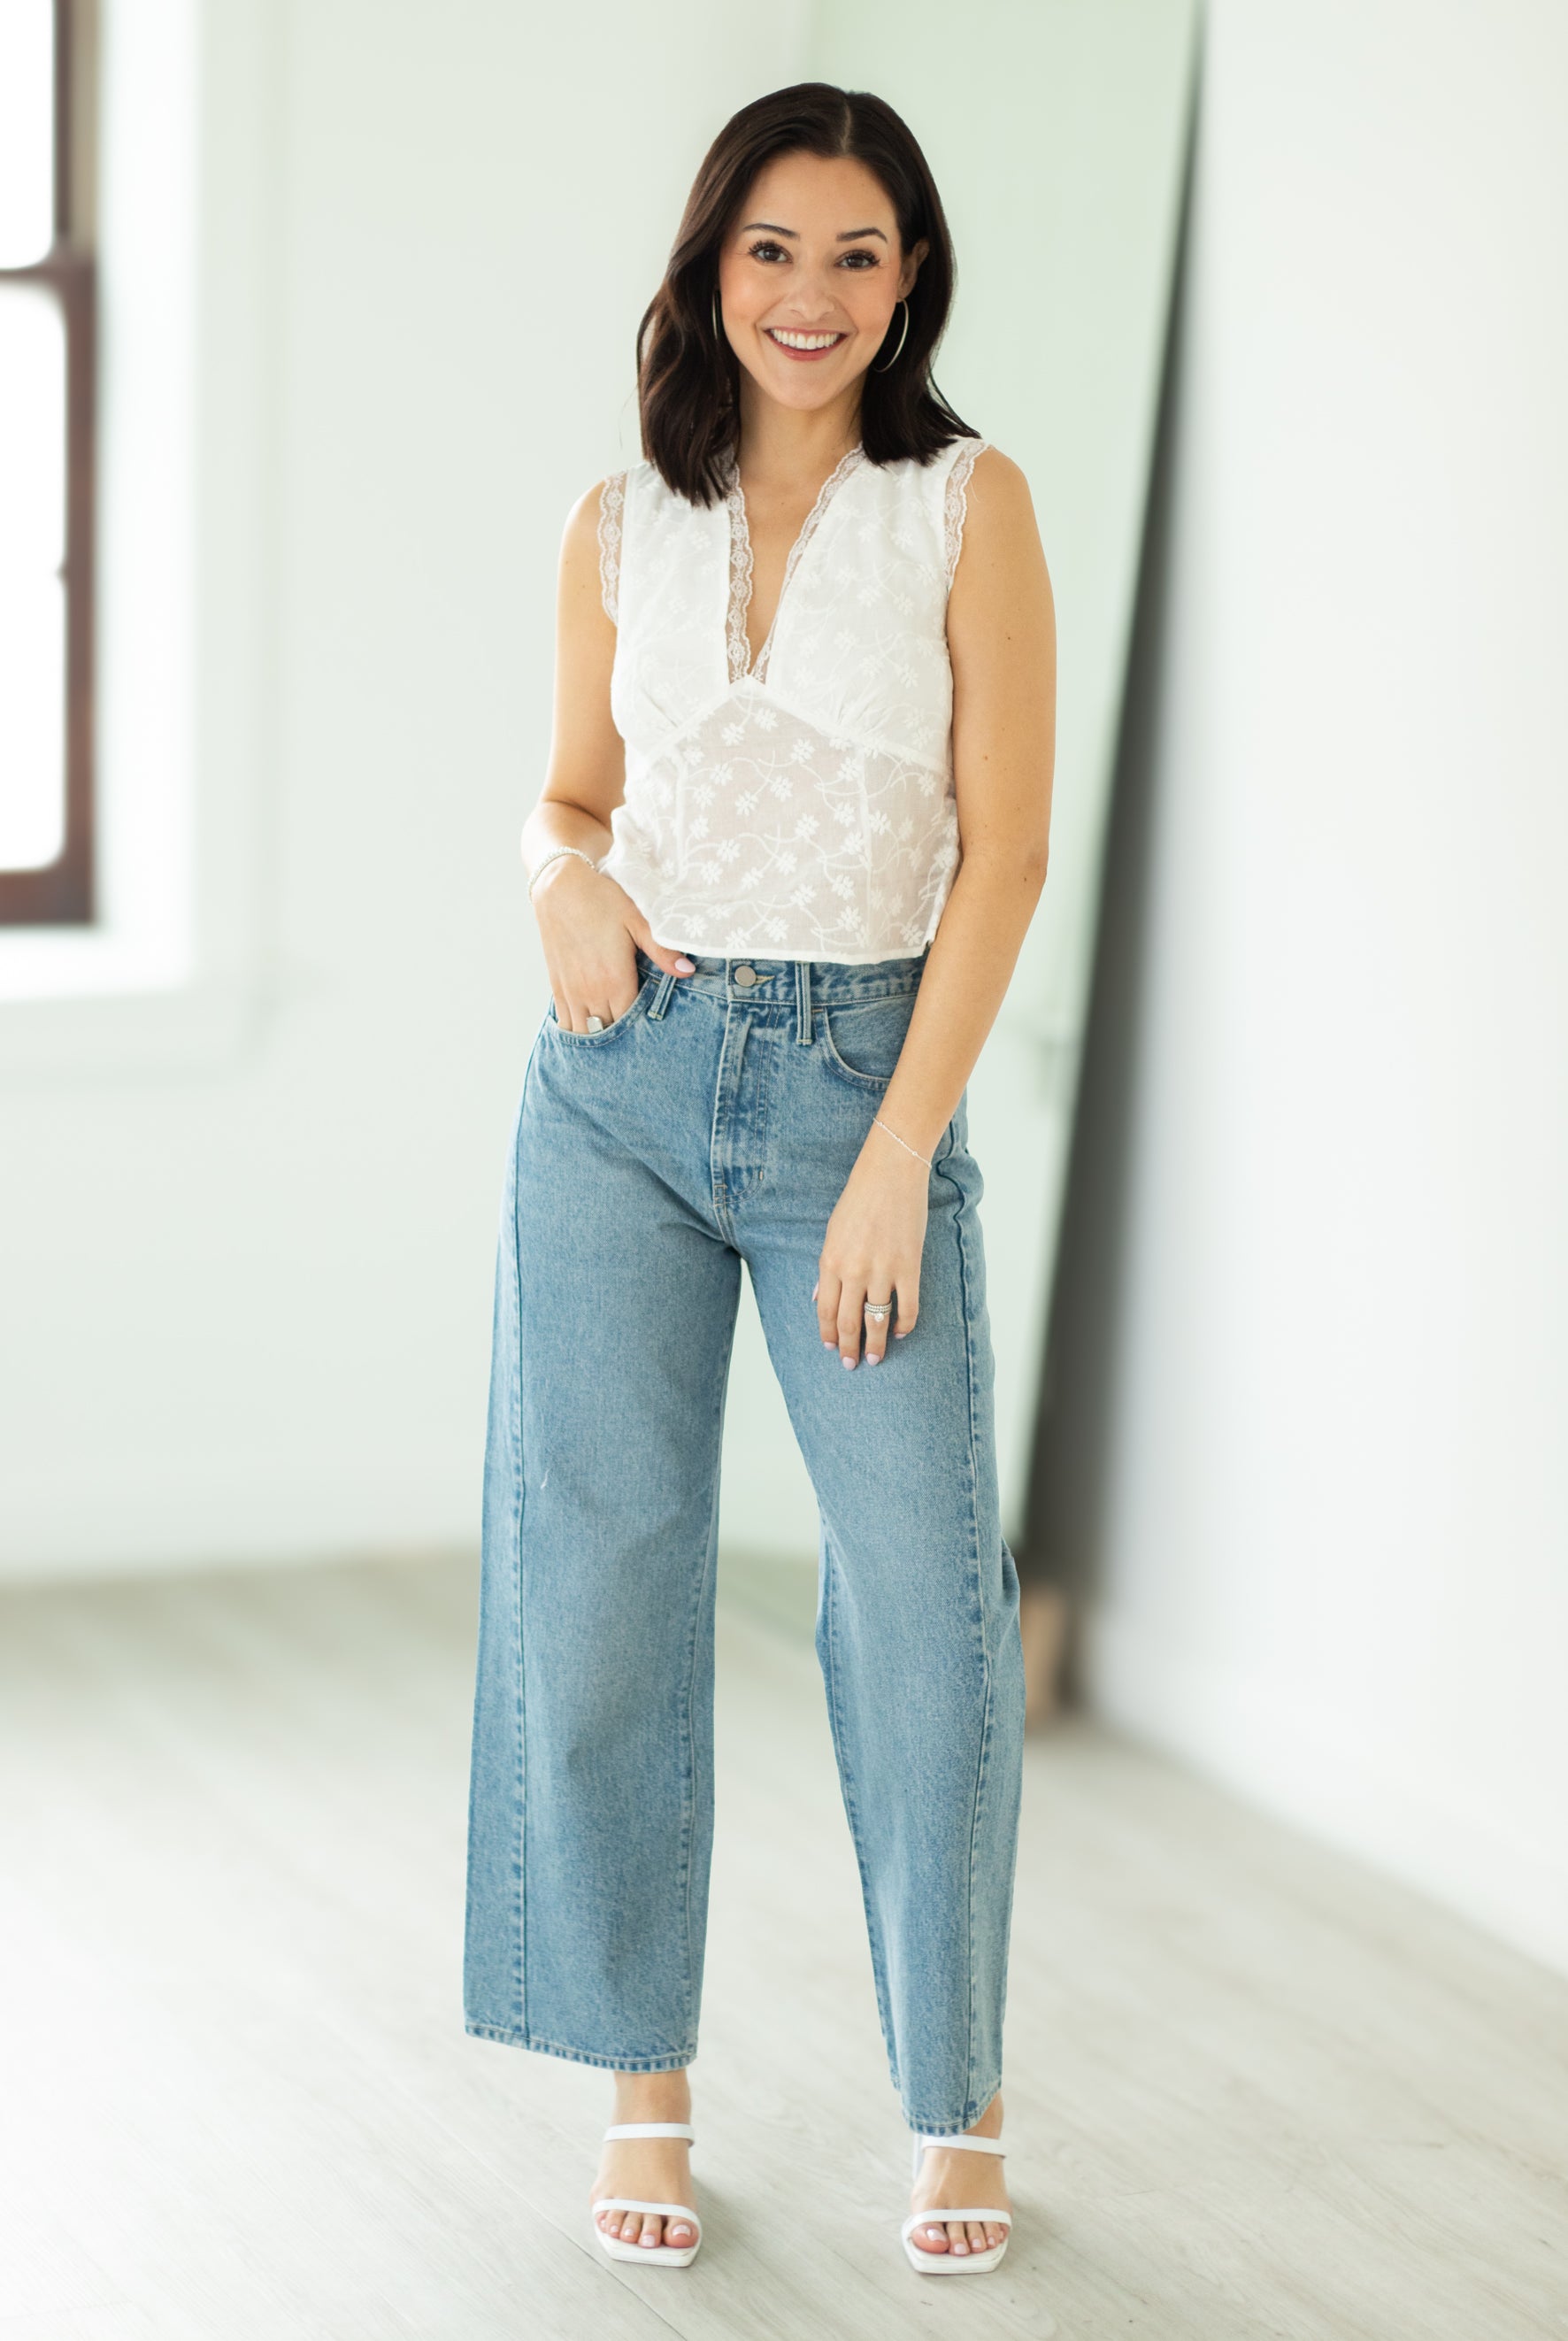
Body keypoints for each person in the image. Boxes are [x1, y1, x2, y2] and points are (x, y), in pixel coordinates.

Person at [464, 80, 1056, 2277]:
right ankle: (644, 2085)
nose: (811, 297)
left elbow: (1006, 852)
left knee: (921, 1617)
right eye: (773, 253)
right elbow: (560, 799)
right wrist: (555, 885)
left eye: (858, 257)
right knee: (605, 1588)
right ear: (711, 270)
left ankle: (956, 2100)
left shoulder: (965, 507)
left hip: (852, 1093)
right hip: (614, 1088)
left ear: (907, 287)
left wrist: (903, 1147)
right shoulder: (614, 523)